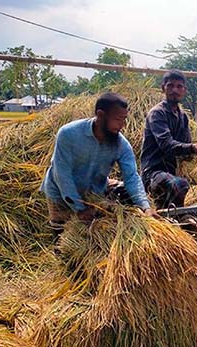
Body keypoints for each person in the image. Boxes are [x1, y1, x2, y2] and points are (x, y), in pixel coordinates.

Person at [41, 92, 154, 238]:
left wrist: (145, 207)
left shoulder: (121, 144)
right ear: (100, 115)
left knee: (91, 234)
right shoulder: (69, 134)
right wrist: (79, 208)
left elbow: (132, 176)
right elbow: (62, 175)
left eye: (124, 119)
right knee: (64, 239)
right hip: (62, 193)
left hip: (93, 191)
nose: (122, 125)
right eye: (118, 119)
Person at [141, 69, 197, 209]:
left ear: (184, 90)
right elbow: (166, 144)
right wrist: (191, 148)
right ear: (163, 88)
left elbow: (185, 148)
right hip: (153, 173)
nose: (175, 90)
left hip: (172, 173)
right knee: (179, 184)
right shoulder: (157, 113)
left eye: (179, 86)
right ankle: (179, 218)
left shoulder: (183, 117)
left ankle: (173, 218)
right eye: (170, 85)